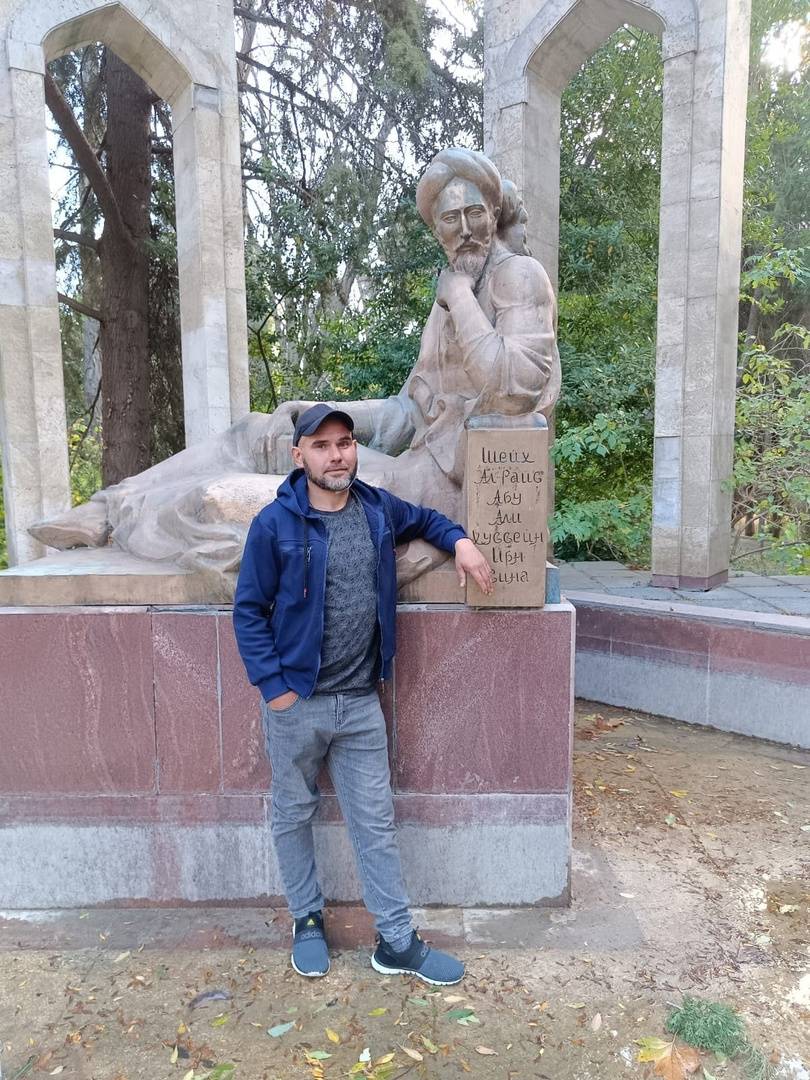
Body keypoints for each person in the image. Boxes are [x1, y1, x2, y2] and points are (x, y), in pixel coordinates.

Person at [29, 150, 558, 597]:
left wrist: (459, 298)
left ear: (493, 212)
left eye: (474, 214)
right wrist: (327, 413)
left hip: (441, 491)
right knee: (261, 431)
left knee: (216, 500)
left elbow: (514, 388)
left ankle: (130, 517)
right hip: (415, 463)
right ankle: (107, 508)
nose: (463, 230)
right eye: (449, 219)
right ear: (435, 228)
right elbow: (408, 411)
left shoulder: (515, 278)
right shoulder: (453, 292)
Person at [233, 402, 494, 984]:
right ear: (299, 456)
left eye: (345, 443)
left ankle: (396, 941)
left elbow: (427, 519)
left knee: (374, 823)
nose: (336, 455)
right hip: (296, 702)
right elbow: (248, 611)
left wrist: (461, 542)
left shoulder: (376, 508)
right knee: (292, 814)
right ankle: (307, 919)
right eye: (322, 445)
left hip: (359, 705)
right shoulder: (274, 525)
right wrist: (275, 690)